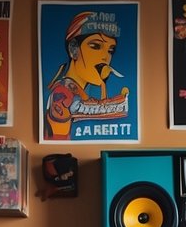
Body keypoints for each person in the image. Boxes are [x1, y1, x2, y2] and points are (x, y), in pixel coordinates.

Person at [44, 11, 128, 139]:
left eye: (110, 50)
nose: (105, 57)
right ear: (73, 49)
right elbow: (56, 141)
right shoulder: (61, 94)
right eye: (95, 46)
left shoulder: (81, 93)